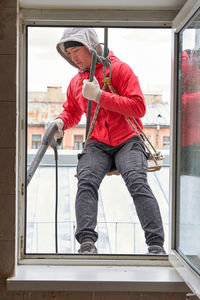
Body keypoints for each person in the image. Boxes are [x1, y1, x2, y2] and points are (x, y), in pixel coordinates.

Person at [53, 27, 165, 255]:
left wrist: (100, 96)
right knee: (86, 182)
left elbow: (138, 107)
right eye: (69, 54)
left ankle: (155, 245)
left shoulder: (120, 70)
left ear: (91, 47)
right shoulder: (76, 83)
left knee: (137, 181)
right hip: (97, 143)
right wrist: (60, 122)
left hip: (127, 140)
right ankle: (86, 243)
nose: (73, 58)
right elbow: (72, 111)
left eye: (76, 51)